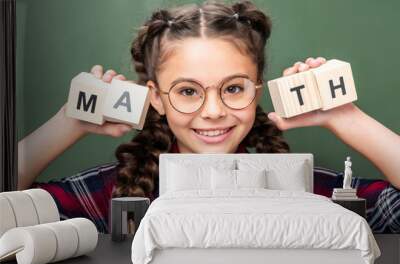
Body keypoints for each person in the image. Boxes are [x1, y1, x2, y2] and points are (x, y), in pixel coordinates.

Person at [17, 0, 400, 234]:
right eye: (187, 92)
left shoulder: (307, 191)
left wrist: (347, 118)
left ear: (257, 92)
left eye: (233, 88)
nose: (214, 111)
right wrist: (69, 122)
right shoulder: (114, 194)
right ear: (158, 99)